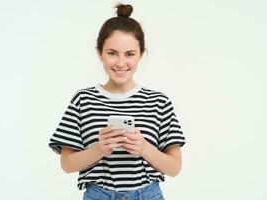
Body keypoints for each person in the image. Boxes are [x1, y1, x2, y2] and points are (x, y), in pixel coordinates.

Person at [49, 3, 186, 200]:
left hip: (148, 195)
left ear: (141, 55)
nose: (121, 63)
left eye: (129, 54)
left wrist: (144, 148)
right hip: (98, 195)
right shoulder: (83, 100)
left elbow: (174, 168)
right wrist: (99, 149)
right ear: (100, 54)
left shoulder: (159, 102)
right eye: (112, 53)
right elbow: (67, 164)